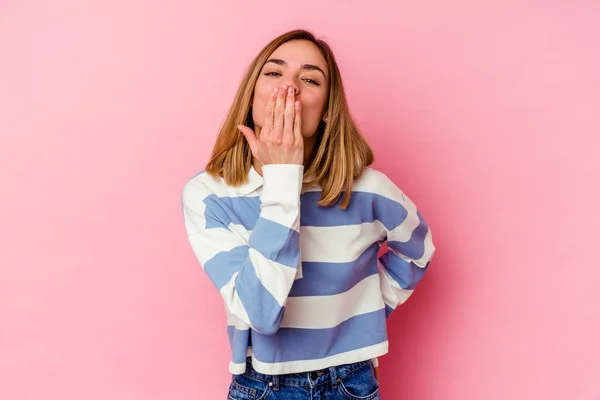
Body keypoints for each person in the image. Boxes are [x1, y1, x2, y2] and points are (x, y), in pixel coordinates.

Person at [181, 29, 436, 400]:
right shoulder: (208, 195)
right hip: (262, 385)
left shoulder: (368, 188)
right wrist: (282, 180)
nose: (289, 89)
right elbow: (262, 312)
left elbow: (418, 249)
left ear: (328, 109)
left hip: (351, 382)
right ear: (251, 97)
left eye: (309, 79)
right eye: (274, 73)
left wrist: (362, 313)